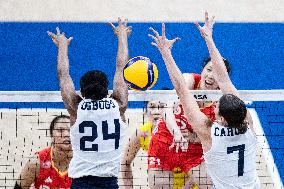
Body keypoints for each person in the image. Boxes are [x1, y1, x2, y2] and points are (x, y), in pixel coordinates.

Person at [149, 11, 260, 189]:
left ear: (221, 119)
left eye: (216, 110)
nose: (213, 111)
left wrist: (166, 54)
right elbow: (224, 80)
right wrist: (209, 39)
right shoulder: (248, 125)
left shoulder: (208, 133)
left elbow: (182, 90)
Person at [47, 18, 131, 189]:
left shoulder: (76, 108)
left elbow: (63, 75)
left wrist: (62, 47)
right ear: (108, 90)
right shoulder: (119, 105)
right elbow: (121, 68)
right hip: (109, 183)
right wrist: (122, 36)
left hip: (81, 183)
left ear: (82, 92)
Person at [14, 115, 72, 189]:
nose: (67, 134)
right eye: (60, 130)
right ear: (51, 135)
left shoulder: (83, 162)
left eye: (70, 130)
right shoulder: (36, 162)